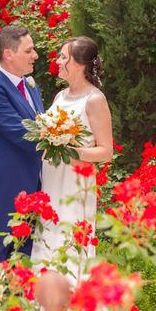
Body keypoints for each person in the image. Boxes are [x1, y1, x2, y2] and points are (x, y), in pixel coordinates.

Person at [30, 36, 113, 283]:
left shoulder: (95, 99)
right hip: (52, 178)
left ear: (79, 64)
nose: (58, 61)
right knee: (47, 232)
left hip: (75, 182)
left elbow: (106, 151)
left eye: (63, 57)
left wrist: (72, 150)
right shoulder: (60, 96)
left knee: (68, 236)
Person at [0, 25, 45, 261]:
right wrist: (59, 141)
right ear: (8, 54)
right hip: (0, 186)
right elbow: (20, 132)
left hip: (29, 186)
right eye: (29, 51)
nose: (35, 55)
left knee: (22, 258)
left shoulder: (32, 87)